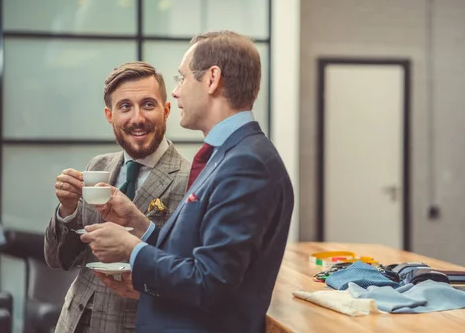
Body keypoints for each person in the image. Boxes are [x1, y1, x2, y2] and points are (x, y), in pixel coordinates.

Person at [80, 31, 294, 333]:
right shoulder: (226, 154)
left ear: (211, 79)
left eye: (181, 79)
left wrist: (131, 248)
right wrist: (140, 225)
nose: (176, 93)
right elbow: (196, 253)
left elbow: (209, 281)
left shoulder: (248, 164)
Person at [44, 62, 191, 333]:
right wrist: (67, 210)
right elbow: (57, 260)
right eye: (125, 107)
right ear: (109, 115)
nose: (137, 118)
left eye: (148, 104)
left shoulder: (190, 179)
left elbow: (189, 276)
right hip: (74, 323)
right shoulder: (97, 166)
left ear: (166, 110)